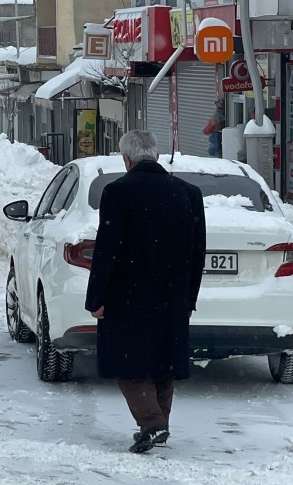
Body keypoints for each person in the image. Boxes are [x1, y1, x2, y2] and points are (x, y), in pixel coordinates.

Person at [84, 130, 206, 454]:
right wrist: (189, 298)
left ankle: (152, 423)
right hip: (174, 295)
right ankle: (156, 424)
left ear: (127, 158)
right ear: (154, 154)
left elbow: (107, 250)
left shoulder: (118, 192)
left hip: (129, 296)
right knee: (164, 361)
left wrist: (96, 299)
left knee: (128, 364)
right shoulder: (188, 193)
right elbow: (198, 252)